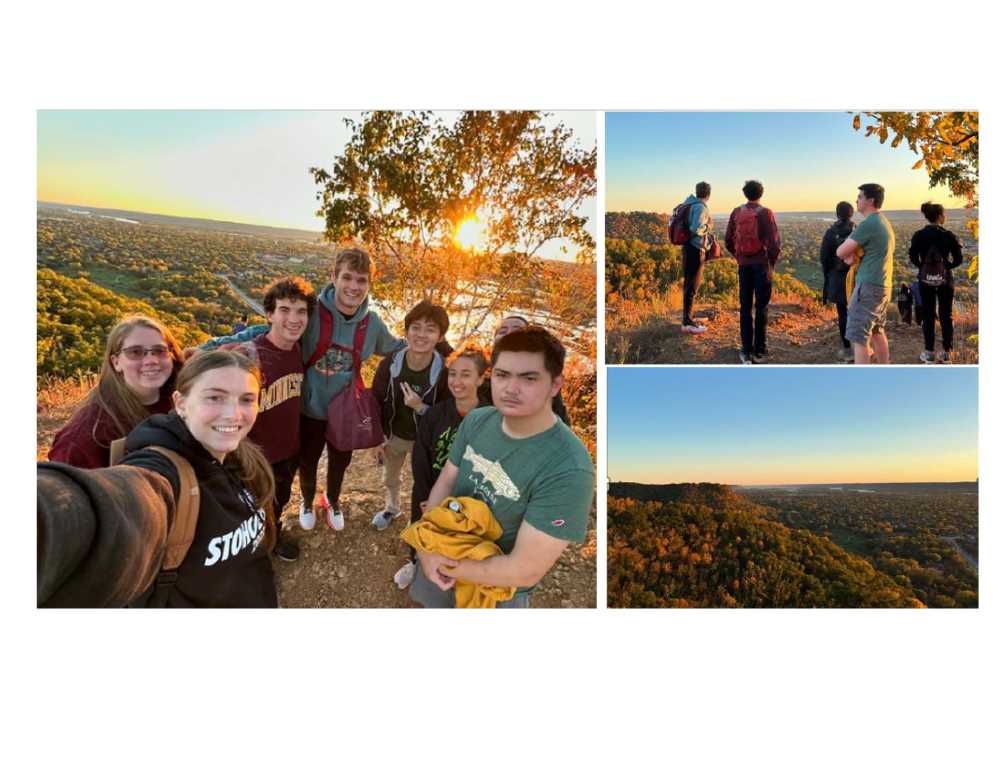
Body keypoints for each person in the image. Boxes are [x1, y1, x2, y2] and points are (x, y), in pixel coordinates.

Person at [38, 349, 278, 608]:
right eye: (214, 398)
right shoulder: (166, 472)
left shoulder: (239, 456)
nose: (233, 414)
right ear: (181, 403)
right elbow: (116, 504)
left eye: (246, 399)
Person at [204, 247, 403, 532]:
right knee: (307, 462)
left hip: (345, 412)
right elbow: (264, 331)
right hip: (308, 409)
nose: (354, 287)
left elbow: (396, 348)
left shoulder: (372, 325)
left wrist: (437, 349)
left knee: (339, 463)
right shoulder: (313, 312)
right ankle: (307, 501)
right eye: (347, 277)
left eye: (362, 280)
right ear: (334, 276)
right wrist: (209, 347)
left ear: (369, 283)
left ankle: (332, 500)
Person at [409, 326, 594, 609]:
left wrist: (438, 560)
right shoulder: (478, 420)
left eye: (529, 378)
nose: (510, 388)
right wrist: (426, 547)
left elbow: (524, 569)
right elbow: (446, 481)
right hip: (444, 550)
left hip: (496, 589)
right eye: (502, 375)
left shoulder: (568, 469)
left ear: (555, 385)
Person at [220, 277, 315, 562]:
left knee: (279, 500)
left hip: (288, 450)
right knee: (248, 509)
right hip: (253, 456)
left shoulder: (299, 351)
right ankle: (249, 554)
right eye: (285, 310)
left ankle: (273, 538)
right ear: (270, 314)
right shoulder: (249, 355)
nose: (293, 319)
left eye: (301, 311)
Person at [392, 342, 489, 590]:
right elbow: (421, 458)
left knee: (461, 538)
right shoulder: (436, 414)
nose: (456, 381)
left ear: (480, 379)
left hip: (470, 496)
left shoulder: (492, 417)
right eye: (453, 374)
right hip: (430, 489)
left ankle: (458, 572)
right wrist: (426, 496)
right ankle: (415, 562)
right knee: (422, 528)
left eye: (466, 375)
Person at [49, 315, 184, 469]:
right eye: (135, 352)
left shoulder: (183, 403)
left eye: (159, 350)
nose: (151, 360)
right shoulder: (88, 434)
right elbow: (63, 487)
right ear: (116, 362)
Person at [370, 300, 451, 531]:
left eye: (430, 329)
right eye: (416, 327)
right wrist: (377, 436)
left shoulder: (444, 372)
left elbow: (448, 414)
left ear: (440, 336)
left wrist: (421, 407)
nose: (421, 335)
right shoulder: (391, 364)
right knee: (390, 478)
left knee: (424, 485)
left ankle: (418, 521)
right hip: (394, 436)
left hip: (425, 441)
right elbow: (375, 400)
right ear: (406, 331)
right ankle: (392, 508)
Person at [838, 183, 895, 365]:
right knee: (877, 331)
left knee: (859, 338)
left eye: (860, 197)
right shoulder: (884, 222)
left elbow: (840, 251)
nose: (857, 200)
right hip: (882, 285)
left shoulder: (869, 223)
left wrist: (849, 256)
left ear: (870, 200)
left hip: (868, 287)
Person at [724, 180, 781, 364]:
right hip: (761, 265)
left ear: (745, 193)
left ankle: (746, 350)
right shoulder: (766, 213)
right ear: (761, 193)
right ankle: (760, 350)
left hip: (744, 265)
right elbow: (774, 244)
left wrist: (739, 257)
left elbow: (728, 240)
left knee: (745, 307)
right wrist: (772, 266)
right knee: (761, 307)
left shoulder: (736, 212)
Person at [479, 313, 570, 425]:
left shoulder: (542, 380)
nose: (509, 334)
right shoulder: (478, 372)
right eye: (502, 331)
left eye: (517, 331)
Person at [910, 201, 963, 363]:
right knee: (946, 315)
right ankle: (947, 352)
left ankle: (929, 353)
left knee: (928, 314)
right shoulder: (948, 235)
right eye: (944, 214)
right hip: (945, 281)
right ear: (940, 216)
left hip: (925, 281)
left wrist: (924, 268)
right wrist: (946, 267)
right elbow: (958, 259)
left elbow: (913, 257)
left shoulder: (919, 235)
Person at [819, 201, 856, 362]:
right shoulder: (858, 231)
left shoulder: (830, 233)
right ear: (851, 214)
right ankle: (861, 346)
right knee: (858, 312)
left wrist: (828, 275)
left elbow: (824, 258)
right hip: (856, 277)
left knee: (843, 314)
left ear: (836, 214)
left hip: (838, 277)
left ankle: (847, 348)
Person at [680, 181, 714, 334]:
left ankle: (688, 317)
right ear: (708, 194)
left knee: (690, 284)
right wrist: (708, 226)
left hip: (688, 248)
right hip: (695, 249)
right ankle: (687, 322)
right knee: (692, 286)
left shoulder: (689, 204)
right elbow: (696, 228)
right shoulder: (700, 207)